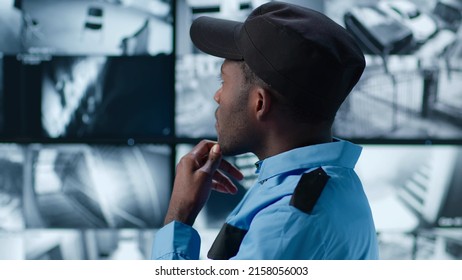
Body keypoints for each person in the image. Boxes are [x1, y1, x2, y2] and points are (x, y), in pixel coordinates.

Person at [152, 1, 379, 260]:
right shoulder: (329, 182)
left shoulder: (287, 220)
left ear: (259, 103)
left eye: (223, 82)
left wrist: (178, 217)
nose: (217, 96)